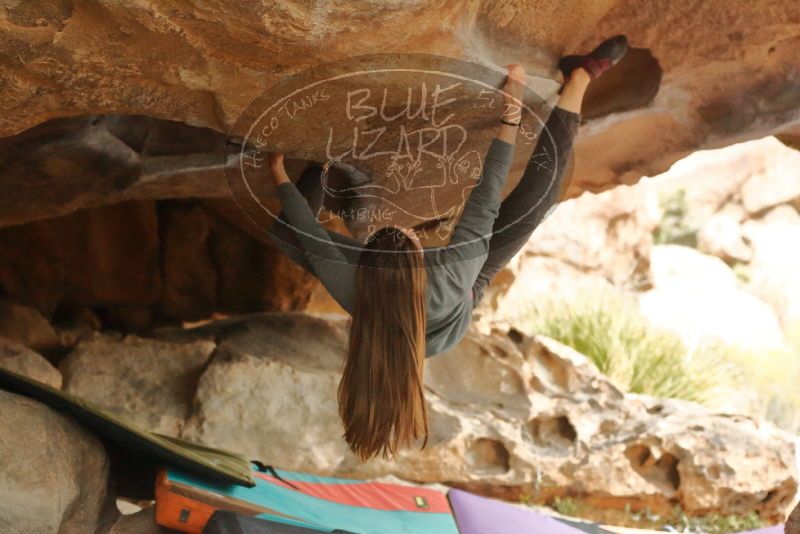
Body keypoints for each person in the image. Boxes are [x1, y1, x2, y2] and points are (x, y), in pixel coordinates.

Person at [265, 36, 629, 461]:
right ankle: (579, 77)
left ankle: (319, 170)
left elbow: (306, 232)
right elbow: (486, 197)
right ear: (421, 257)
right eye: (414, 239)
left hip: (391, 295)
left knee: (285, 235)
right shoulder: (453, 274)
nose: (414, 231)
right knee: (540, 197)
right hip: (465, 290)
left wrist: (281, 172)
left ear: (368, 260)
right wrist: (510, 112)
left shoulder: (353, 284)